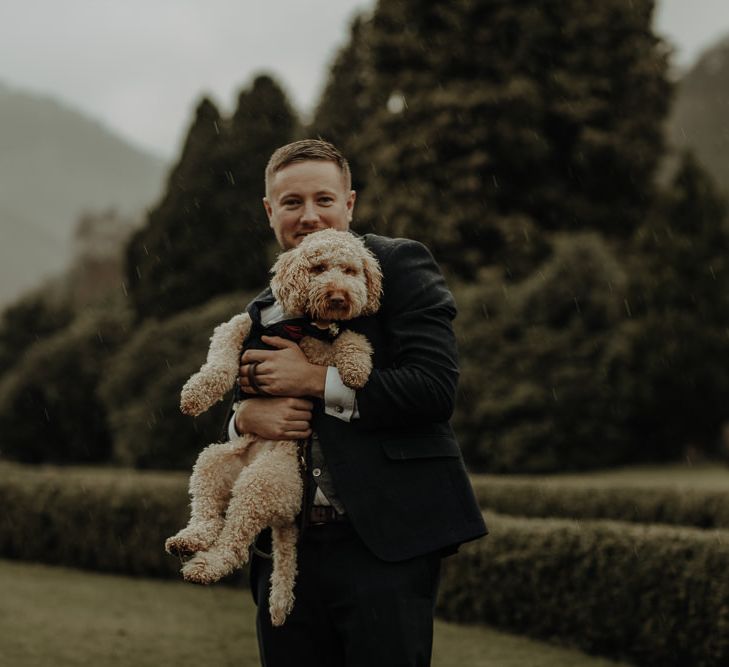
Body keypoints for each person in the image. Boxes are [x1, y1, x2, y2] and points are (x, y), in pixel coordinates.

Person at [229, 139, 487, 667]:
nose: (309, 216)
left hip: (383, 545)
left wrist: (314, 379)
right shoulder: (263, 303)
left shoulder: (399, 264)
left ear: (349, 203)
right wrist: (242, 418)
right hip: (286, 553)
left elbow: (434, 390)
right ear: (269, 212)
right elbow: (231, 393)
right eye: (292, 202)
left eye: (323, 199)